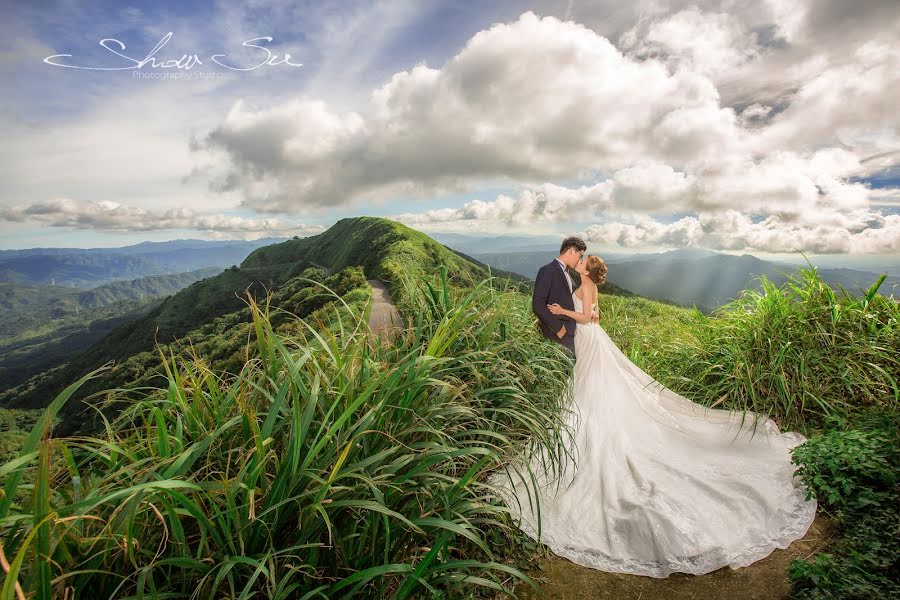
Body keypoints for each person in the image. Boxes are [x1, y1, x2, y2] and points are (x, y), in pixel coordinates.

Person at [492, 254, 818, 578]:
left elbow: (589, 319)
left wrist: (563, 311)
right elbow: (596, 314)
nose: (578, 263)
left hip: (590, 339)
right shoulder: (586, 284)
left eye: (582, 262)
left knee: (592, 389)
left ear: (588, 270)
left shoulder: (587, 285)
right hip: (591, 342)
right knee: (589, 387)